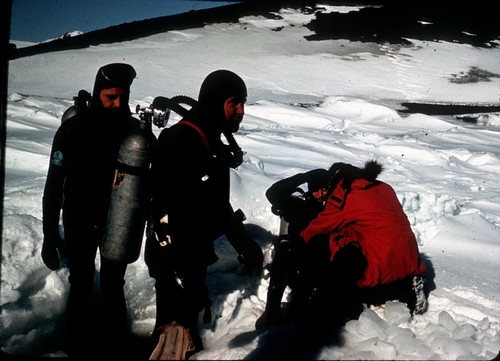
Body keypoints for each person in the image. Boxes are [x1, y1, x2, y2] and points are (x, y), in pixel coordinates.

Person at [145, 69, 260, 359]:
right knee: (173, 339)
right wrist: (186, 278)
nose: (241, 111)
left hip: (186, 261)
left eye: (243, 103)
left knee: (184, 340)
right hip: (175, 263)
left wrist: (248, 250)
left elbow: (217, 207)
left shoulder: (209, 140)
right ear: (215, 100)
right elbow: (169, 211)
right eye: (234, 102)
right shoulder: (184, 139)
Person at [41, 63, 142, 357]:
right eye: (111, 96)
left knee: (113, 285)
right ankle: (75, 347)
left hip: (117, 219)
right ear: (98, 93)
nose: (118, 104)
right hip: (79, 217)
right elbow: (53, 185)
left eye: (123, 96)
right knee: (81, 283)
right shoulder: (73, 130)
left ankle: (116, 348)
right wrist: (49, 235)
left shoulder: (133, 135)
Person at [256, 159, 428, 331]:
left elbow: (320, 226)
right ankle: (406, 287)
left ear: (333, 182)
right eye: (316, 189)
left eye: (325, 188)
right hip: (409, 260)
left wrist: (300, 241)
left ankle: (339, 309)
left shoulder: (344, 193)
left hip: (378, 267)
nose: (322, 194)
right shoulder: (383, 187)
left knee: (342, 263)